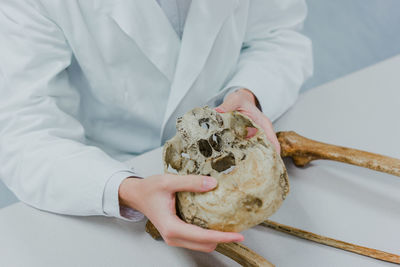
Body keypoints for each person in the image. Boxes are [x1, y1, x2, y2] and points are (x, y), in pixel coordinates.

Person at [0, 0, 312, 253]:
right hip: (110, 162)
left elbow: (278, 35)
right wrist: (125, 189)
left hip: (239, 146)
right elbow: (24, 133)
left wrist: (249, 92)